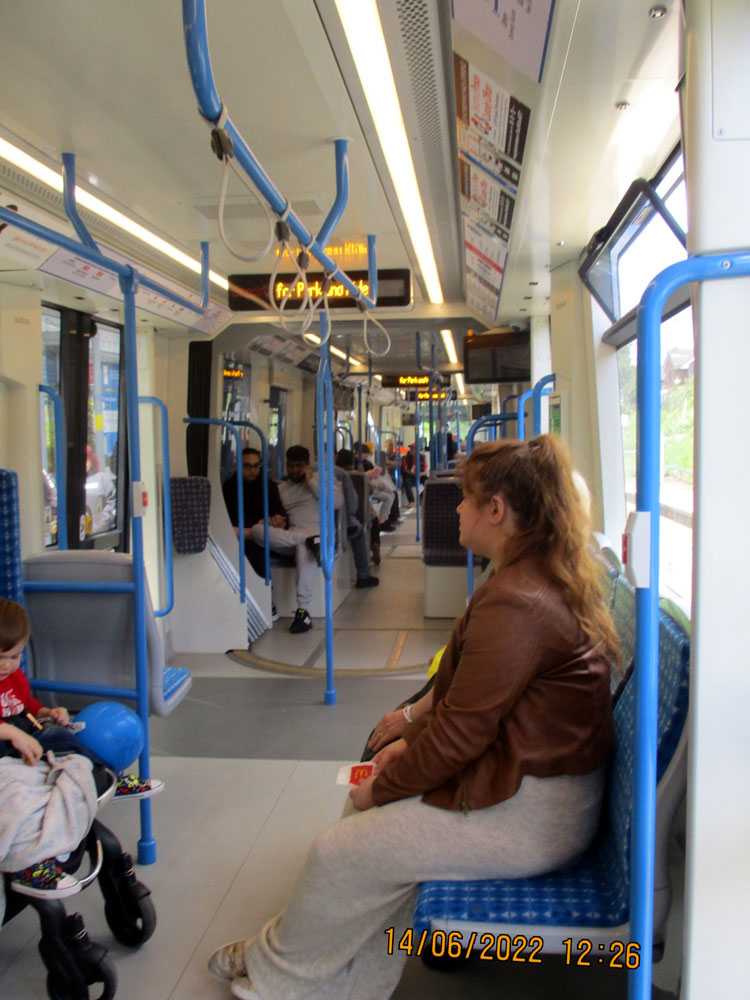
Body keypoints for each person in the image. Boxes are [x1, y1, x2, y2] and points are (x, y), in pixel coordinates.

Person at [208, 435, 619, 1000]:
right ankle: (343, 982)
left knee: (338, 851)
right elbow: (472, 710)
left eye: (468, 498)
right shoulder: (530, 577)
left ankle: (274, 975)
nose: (458, 508)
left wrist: (387, 785)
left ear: (497, 511)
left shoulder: (520, 601)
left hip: (535, 813)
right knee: (364, 828)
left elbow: (461, 732)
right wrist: (407, 745)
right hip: (529, 783)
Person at [0, 599, 162, 896]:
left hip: (25, 736)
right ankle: (29, 864)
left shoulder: (13, 676)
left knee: (64, 738)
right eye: (0, 657)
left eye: (14, 656)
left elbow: (25, 705)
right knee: (19, 799)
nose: (7, 665)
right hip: (5, 746)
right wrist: (10, 732)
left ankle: (112, 776)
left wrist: (47, 712)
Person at [250, 445, 342, 634]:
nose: (294, 470)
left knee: (303, 550)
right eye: (290, 466)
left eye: (299, 466)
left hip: (320, 535)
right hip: (292, 537)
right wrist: (275, 521)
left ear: (307, 465)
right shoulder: (282, 489)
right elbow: (277, 514)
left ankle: (303, 611)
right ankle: (309, 540)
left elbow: (336, 503)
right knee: (257, 531)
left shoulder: (323, 479)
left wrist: (311, 482)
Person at [223, 447, 287, 611]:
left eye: (256, 466)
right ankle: (261, 598)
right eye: (247, 466)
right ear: (238, 466)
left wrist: (275, 519)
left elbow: (279, 513)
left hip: (261, 533)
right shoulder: (229, 487)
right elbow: (229, 518)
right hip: (244, 533)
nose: (252, 470)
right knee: (251, 546)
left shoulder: (269, 486)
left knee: (256, 545)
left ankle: (264, 597)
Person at [333, 450, 379, 589]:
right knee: (363, 527)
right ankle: (364, 574)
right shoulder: (357, 476)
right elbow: (354, 504)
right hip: (347, 521)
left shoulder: (327, 475)